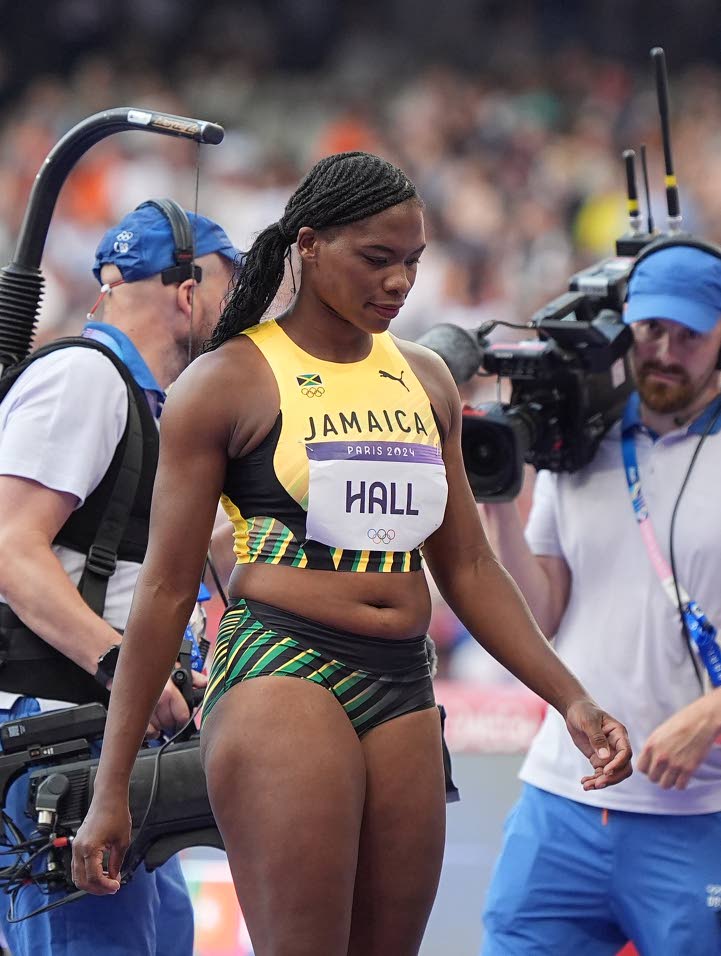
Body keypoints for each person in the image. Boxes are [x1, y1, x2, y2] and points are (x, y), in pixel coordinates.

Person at [71, 152, 632, 956]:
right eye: (376, 258)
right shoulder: (229, 380)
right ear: (308, 245)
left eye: (412, 262)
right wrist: (113, 786)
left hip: (402, 680)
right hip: (281, 667)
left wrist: (570, 699)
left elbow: (469, 568)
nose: (399, 282)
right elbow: (164, 589)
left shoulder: (425, 380)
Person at [0, 199, 239, 956]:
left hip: (112, 734)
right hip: (62, 731)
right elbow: (10, 547)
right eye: (231, 287)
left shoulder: (145, 401)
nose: (238, 310)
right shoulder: (85, 377)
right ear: (188, 291)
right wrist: (120, 662)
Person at [479, 240, 721, 955]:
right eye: (650, 330)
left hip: (699, 814)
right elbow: (543, 612)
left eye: (688, 335)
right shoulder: (578, 439)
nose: (665, 353)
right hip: (562, 798)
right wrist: (499, 504)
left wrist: (711, 713)